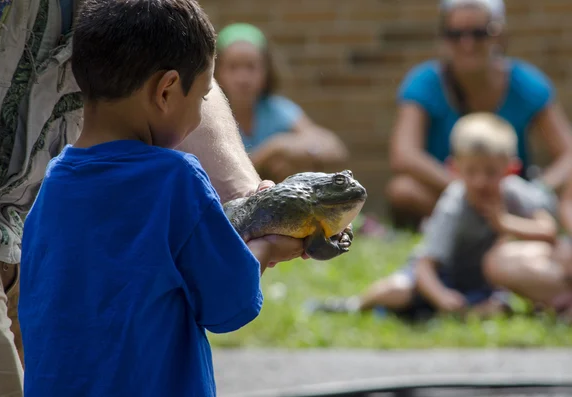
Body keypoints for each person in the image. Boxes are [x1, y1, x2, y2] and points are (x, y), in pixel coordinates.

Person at [0, 0, 294, 396]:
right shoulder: (177, 181)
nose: (198, 116)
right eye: (202, 96)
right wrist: (266, 247)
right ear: (167, 90)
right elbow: (230, 303)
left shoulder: (48, 188)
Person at [308, 113, 562, 321]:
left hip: (483, 284)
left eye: (491, 172)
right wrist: (441, 297)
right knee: (396, 291)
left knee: (499, 308)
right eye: (471, 171)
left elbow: (549, 230)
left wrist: (505, 223)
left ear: (511, 168)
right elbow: (424, 265)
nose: (480, 181)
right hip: (437, 278)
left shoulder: (514, 192)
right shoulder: (455, 204)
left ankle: (449, 313)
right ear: (454, 168)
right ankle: (355, 305)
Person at [386, 0, 572, 230]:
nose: (467, 43)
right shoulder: (424, 82)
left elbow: (568, 153)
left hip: (510, 197)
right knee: (403, 190)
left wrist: (539, 189)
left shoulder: (525, 83)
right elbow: (403, 154)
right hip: (449, 193)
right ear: (444, 38)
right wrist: (467, 188)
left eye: (479, 33)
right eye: (455, 34)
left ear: (499, 35)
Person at [214, 22, 349, 183]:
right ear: (216, 71)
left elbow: (335, 149)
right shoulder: (210, 115)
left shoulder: (276, 109)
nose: (243, 78)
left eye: (251, 67)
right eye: (233, 67)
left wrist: (285, 147)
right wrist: (269, 152)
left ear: (266, 71)